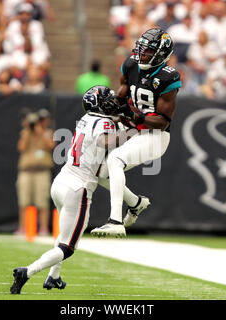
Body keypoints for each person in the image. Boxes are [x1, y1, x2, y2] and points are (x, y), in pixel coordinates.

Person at [10, 86, 142, 294]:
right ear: (100, 104)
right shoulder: (104, 122)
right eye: (108, 100)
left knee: (64, 235)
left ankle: (53, 276)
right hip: (78, 188)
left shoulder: (85, 119)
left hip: (61, 181)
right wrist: (133, 130)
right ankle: (27, 271)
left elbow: (102, 129)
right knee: (68, 248)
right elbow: (105, 140)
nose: (112, 103)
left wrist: (120, 121)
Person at [90, 28, 181, 238]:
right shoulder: (131, 64)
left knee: (115, 159)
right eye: (141, 49)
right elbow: (122, 96)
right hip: (132, 129)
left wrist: (135, 116)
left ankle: (115, 221)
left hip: (155, 136)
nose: (141, 55)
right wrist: (114, 103)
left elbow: (163, 122)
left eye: (147, 51)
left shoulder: (168, 78)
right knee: (99, 172)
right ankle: (136, 203)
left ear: (161, 55)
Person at [15, 109, 55, 236]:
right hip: (26, 171)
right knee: (24, 201)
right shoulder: (26, 132)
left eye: (44, 120)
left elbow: (50, 146)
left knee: (42, 201)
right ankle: (23, 227)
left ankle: (43, 228)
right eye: (40, 120)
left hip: (42, 171)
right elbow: (21, 147)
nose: (42, 122)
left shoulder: (48, 133)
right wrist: (28, 131)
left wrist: (40, 132)